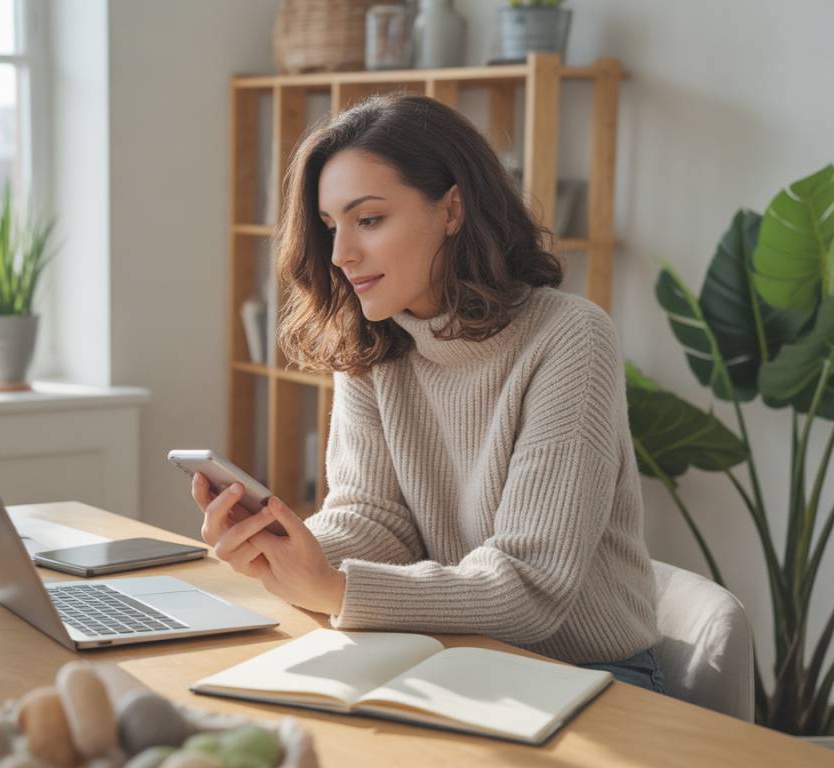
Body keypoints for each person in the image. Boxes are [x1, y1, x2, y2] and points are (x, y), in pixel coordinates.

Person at [191, 93, 664, 693]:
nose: (341, 255)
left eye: (369, 220)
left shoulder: (569, 337)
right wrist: (286, 551)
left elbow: (531, 586)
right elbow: (377, 520)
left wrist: (334, 589)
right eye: (332, 226)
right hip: (450, 657)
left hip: (590, 675)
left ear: (452, 209)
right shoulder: (371, 340)